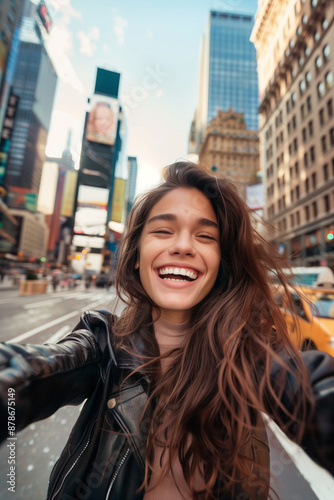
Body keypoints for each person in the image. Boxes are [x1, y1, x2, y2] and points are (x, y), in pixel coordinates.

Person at [0, 161, 334, 500]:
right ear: (136, 256)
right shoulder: (102, 345)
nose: (184, 246)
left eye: (206, 236)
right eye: (162, 231)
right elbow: (28, 371)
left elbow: (311, 388)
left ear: (222, 265)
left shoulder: (250, 356)